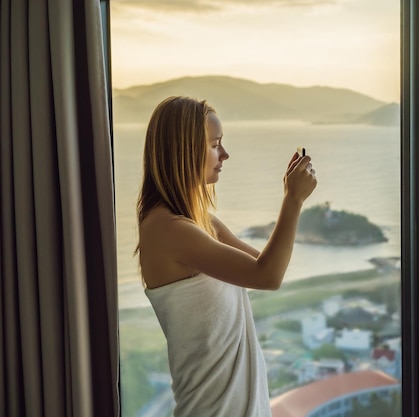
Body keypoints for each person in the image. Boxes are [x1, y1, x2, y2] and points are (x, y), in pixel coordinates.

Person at [135, 96, 317, 417]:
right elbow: (267, 276)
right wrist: (293, 200)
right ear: (184, 149)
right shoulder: (168, 229)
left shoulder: (199, 222)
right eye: (215, 144)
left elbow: (265, 264)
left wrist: (291, 194)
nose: (225, 155)